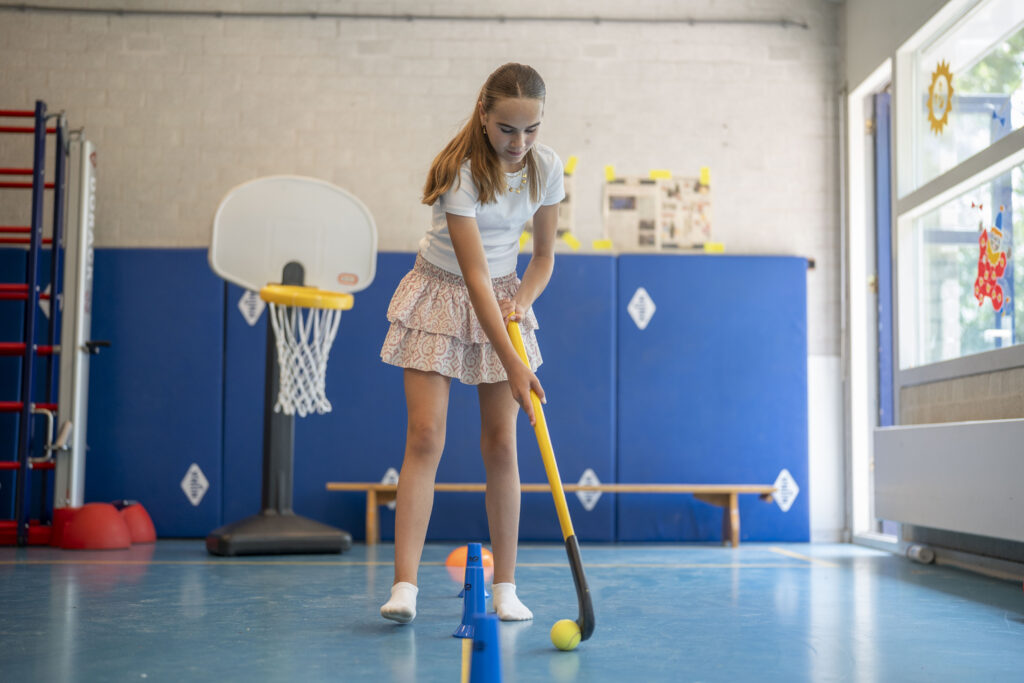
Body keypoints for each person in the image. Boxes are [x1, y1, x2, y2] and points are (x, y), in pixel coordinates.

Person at [378, 62, 565, 624]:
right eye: (507, 128)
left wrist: (522, 302)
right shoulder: (459, 172)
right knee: (425, 436)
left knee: (502, 445)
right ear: (484, 116)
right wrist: (514, 363)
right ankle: (405, 587)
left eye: (531, 129)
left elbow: (543, 258)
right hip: (441, 291)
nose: (519, 142)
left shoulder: (546, 168)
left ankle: (506, 587)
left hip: (503, 295)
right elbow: (474, 276)